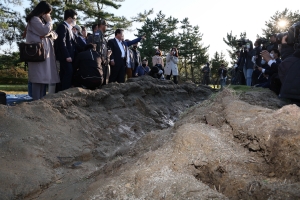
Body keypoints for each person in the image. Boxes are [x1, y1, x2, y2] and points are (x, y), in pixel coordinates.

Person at [25, 1, 60, 100]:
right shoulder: (34, 19)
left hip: (43, 52)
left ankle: (41, 101)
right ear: (42, 11)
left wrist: (48, 33)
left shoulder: (40, 20)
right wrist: (49, 22)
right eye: (47, 12)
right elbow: (44, 31)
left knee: (43, 79)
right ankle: (37, 102)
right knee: (38, 78)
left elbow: (54, 34)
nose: (48, 15)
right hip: (36, 52)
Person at [54, 9, 78, 91]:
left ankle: (59, 92)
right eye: (74, 18)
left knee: (63, 74)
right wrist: (67, 55)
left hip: (70, 57)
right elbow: (61, 42)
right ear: (69, 18)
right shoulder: (62, 27)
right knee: (68, 73)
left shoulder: (70, 29)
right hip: (65, 57)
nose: (75, 20)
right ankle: (64, 92)